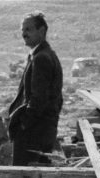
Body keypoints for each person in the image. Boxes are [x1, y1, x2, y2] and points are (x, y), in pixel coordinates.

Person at [7, 12, 63, 165]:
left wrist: (24, 125)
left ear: (42, 31)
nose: (24, 34)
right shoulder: (44, 55)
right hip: (42, 131)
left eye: (28, 29)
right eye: (22, 30)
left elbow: (39, 99)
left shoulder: (41, 58)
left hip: (33, 134)